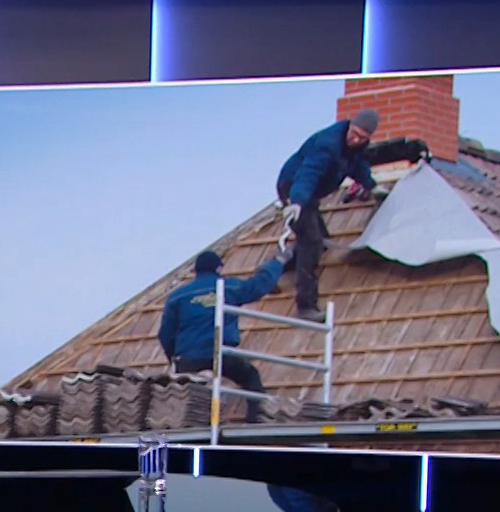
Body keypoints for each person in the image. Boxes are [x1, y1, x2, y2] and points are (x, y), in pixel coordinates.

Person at [158, 247, 290, 423]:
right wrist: (278, 262)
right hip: (219, 354)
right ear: (218, 268)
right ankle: (255, 419)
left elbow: (165, 334)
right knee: (250, 376)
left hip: (188, 359)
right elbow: (257, 286)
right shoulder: (228, 287)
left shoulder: (177, 296)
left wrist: (174, 359)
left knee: (188, 394)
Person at [275, 108, 380, 322]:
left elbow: (357, 167)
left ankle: (273, 268)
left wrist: (372, 186)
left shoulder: (355, 148)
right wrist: (296, 201)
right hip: (294, 187)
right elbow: (308, 173)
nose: (355, 139)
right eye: (354, 133)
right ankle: (306, 306)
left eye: (361, 138)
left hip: (310, 194)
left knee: (321, 241)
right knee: (311, 241)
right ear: (350, 125)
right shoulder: (328, 144)